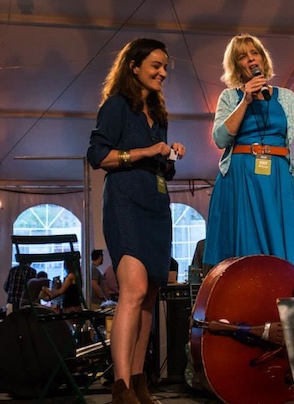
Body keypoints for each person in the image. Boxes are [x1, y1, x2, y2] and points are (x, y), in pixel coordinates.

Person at [86, 38, 185, 404]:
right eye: (156, 66)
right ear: (134, 66)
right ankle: (121, 387)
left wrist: (169, 157)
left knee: (150, 297)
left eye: (165, 68)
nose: (162, 73)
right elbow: (97, 155)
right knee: (134, 291)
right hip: (125, 201)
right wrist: (146, 151)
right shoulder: (116, 106)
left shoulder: (158, 114)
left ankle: (141, 381)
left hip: (156, 204)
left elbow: (161, 168)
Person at [203, 33, 294, 268]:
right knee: (243, 254)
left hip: (277, 177)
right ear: (236, 66)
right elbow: (220, 138)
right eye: (242, 57)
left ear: (263, 59)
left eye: (254, 53)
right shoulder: (230, 97)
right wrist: (246, 100)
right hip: (241, 177)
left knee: (279, 257)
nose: (251, 60)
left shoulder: (287, 97)